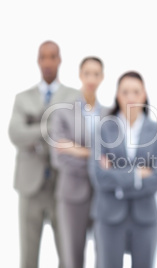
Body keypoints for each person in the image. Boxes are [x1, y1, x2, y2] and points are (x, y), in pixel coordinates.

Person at [8, 40, 79, 268]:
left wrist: (35, 125)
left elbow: (76, 136)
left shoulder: (73, 97)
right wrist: (49, 127)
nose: (47, 62)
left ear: (59, 60)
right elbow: (16, 133)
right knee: (28, 258)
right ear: (38, 61)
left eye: (52, 56)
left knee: (68, 257)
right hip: (30, 186)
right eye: (43, 57)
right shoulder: (22, 98)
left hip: (63, 187)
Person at [88, 71, 157, 268]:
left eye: (135, 91)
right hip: (109, 217)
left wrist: (115, 172)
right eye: (125, 92)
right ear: (117, 96)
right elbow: (98, 177)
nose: (130, 97)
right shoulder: (103, 128)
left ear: (144, 94)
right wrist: (138, 174)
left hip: (145, 218)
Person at [50, 56, 104, 268]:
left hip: (103, 195)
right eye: (87, 73)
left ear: (102, 77)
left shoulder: (109, 113)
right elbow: (59, 156)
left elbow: (115, 157)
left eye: (96, 74)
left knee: (105, 255)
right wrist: (95, 157)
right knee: (71, 258)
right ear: (80, 75)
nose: (91, 78)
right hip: (72, 193)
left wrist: (76, 149)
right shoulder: (63, 111)